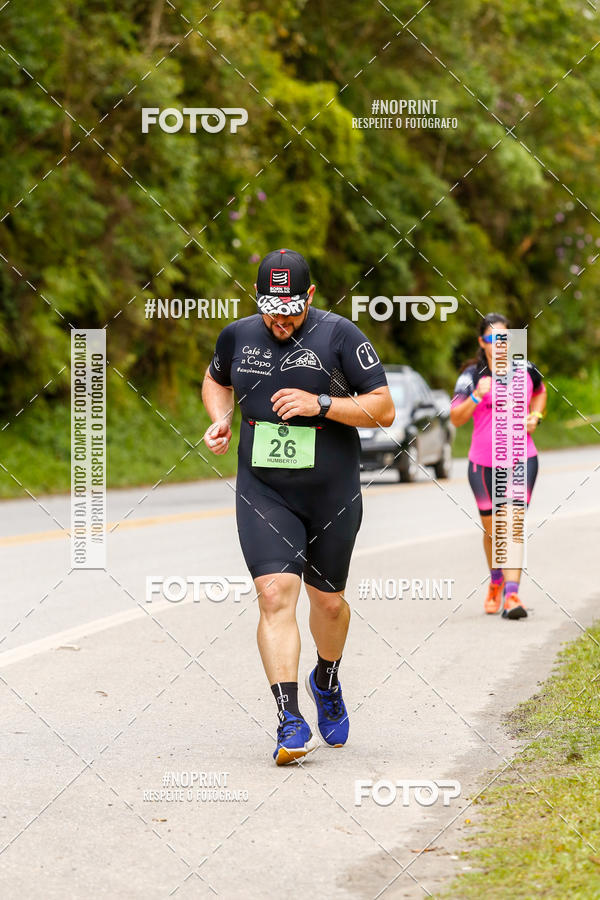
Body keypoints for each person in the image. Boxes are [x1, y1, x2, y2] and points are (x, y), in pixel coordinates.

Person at [201, 249, 395, 764]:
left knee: (328, 603)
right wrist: (221, 419)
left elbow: (383, 409)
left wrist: (322, 405)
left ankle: (325, 678)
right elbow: (216, 380)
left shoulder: (340, 336)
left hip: (331, 492)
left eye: (289, 307)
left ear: (309, 296)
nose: (279, 318)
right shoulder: (238, 336)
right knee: (273, 594)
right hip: (264, 490)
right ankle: (289, 719)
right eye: (270, 307)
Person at [450, 313, 546, 619]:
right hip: (482, 464)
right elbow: (456, 418)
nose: (500, 345)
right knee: (493, 531)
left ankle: (512, 596)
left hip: (521, 458)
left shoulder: (525, 369)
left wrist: (536, 416)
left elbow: (541, 392)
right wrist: (477, 397)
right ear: (482, 342)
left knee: (512, 526)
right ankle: (495, 582)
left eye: (505, 339)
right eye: (493, 339)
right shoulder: (471, 375)